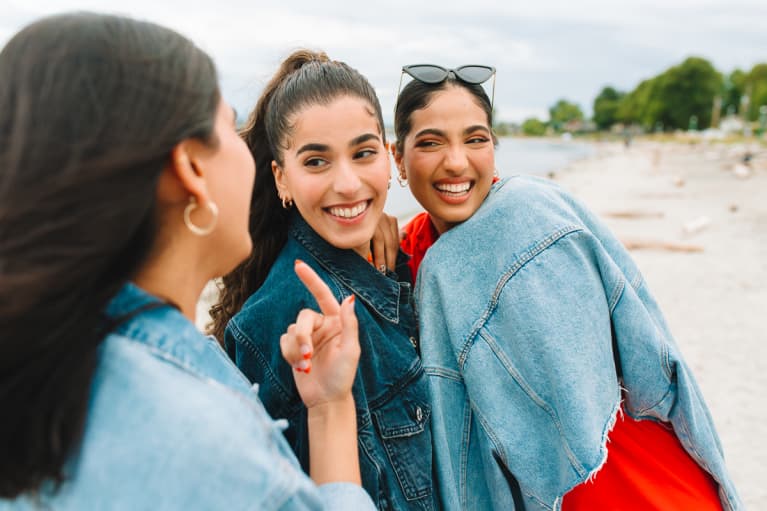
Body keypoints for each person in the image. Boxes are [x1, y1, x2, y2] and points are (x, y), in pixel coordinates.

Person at [0, 13, 375, 510]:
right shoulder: (212, 449)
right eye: (228, 126)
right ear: (191, 169)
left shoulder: (51, 364)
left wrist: (329, 406)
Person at [392, 65, 742, 510]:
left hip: (628, 477)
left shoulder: (534, 214)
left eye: (475, 139)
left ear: (494, 150)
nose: (457, 161)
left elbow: (644, 352)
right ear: (398, 158)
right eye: (430, 142)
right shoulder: (408, 254)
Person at [209, 50, 437, 510]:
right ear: (281, 180)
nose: (349, 184)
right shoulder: (294, 318)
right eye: (317, 162)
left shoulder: (391, 263)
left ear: (388, 157)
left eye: (363, 153)